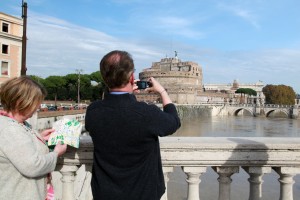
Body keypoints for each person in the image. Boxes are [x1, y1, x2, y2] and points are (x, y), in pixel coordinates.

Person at [85, 50, 181, 200]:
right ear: (132, 78)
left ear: (104, 78)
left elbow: (111, 109)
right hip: (143, 194)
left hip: (105, 193)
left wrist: (125, 95)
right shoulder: (146, 113)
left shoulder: (93, 112)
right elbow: (173, 122)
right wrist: (162, 91)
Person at [0, 76, 67, 200]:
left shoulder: (18, 124)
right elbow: (33, 166)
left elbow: (19, 148)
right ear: (20, 102)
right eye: (36, 103)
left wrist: (39, 138)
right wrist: (56, 153)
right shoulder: (10, 129)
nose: (38, 108)